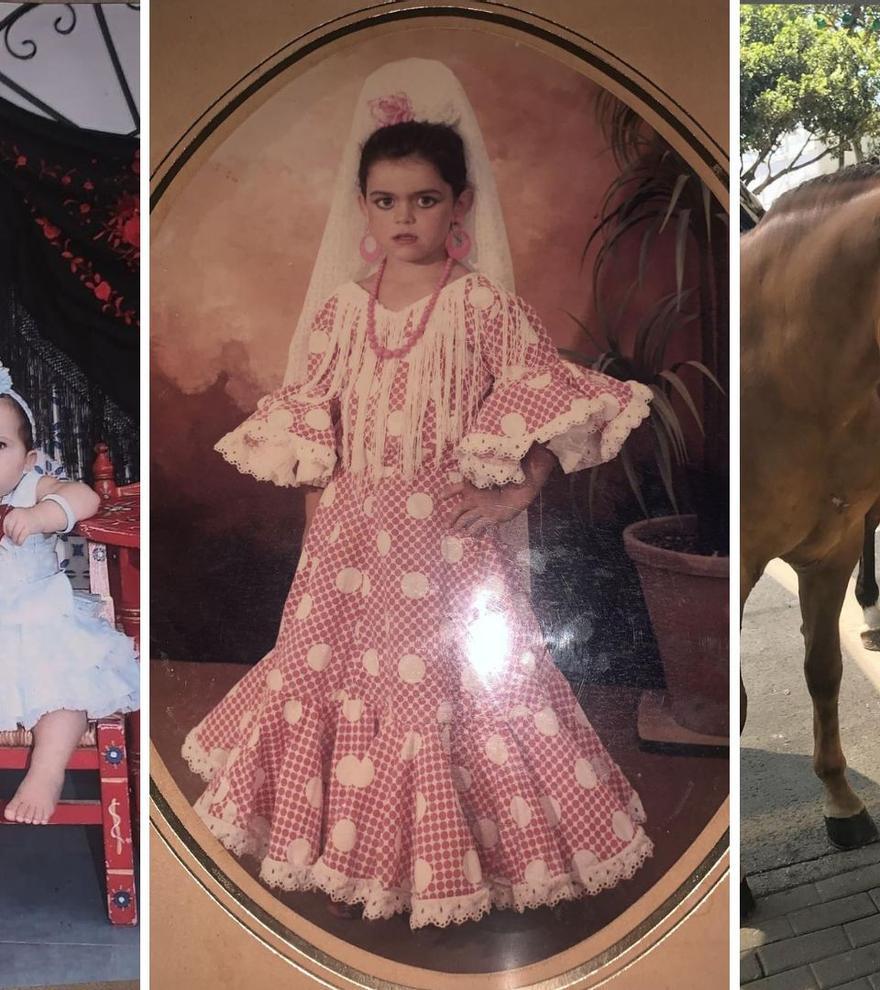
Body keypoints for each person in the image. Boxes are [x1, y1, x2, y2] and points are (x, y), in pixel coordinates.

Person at [183, 59, 654, 929]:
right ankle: (352, 852)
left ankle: (450, 861)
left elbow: (545, 407)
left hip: (448, 541)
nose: (406, 218)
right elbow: (313, 445)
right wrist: (324, 535)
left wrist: (517, 496)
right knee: (340, 684)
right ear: (362, 207)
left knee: (455, 690)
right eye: (387, 200)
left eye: (426, 200)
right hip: (352, 547)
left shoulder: (484, 309)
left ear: (460, 205)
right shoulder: (335, 316)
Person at [0, 365, 139, 824]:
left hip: (38, 624)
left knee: (66, 691)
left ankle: (46, 770)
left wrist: (43, 514)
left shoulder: (30, 489)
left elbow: (85, 497)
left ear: (27, 457)